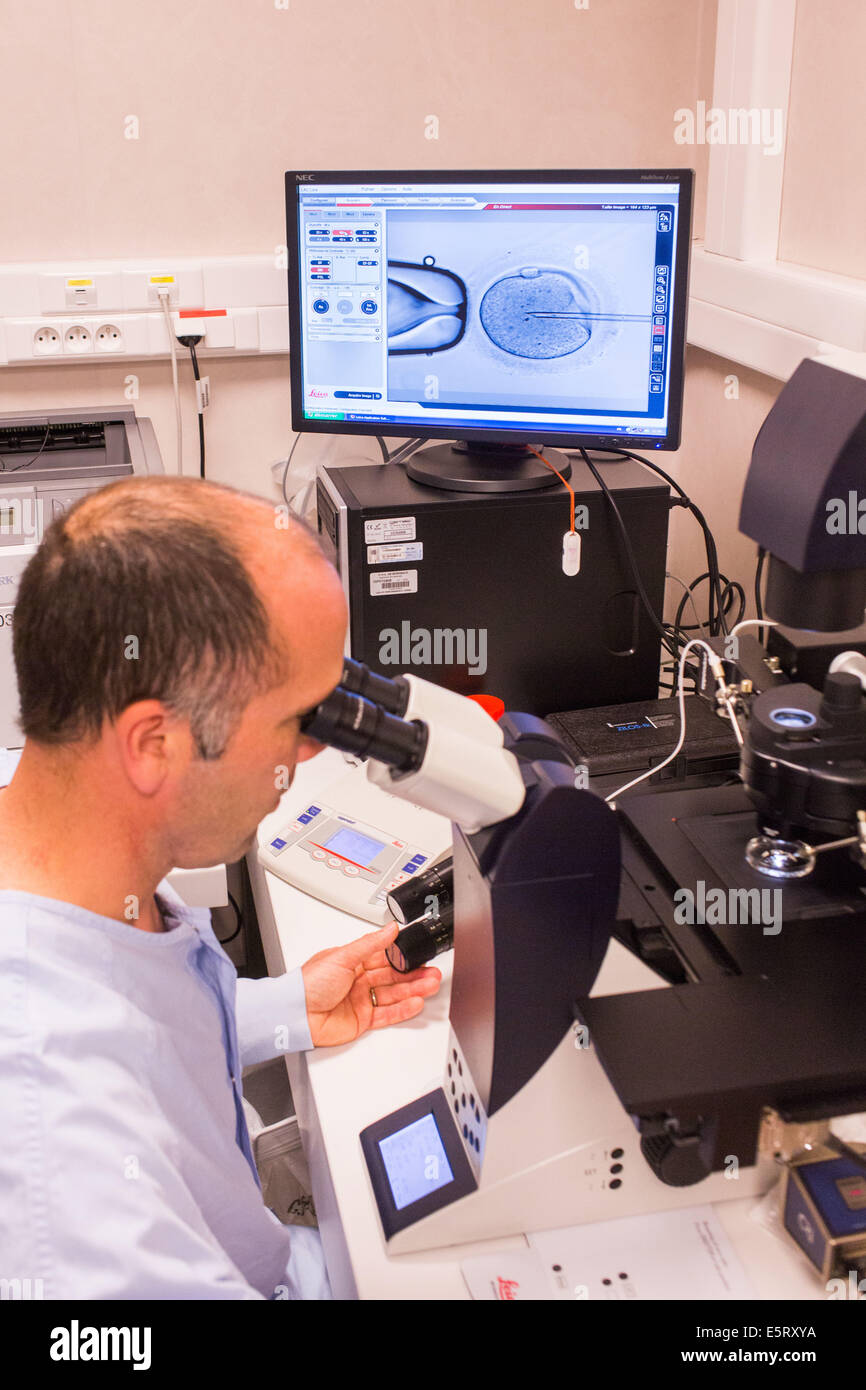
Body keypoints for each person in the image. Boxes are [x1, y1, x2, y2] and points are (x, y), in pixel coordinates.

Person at [0, 475, 442, 1299]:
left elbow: (119, 1010)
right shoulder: (59, 1153)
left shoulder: (38, 827)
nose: (314, 756)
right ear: (153, 744)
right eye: (298, 722)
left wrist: (283, 1010)